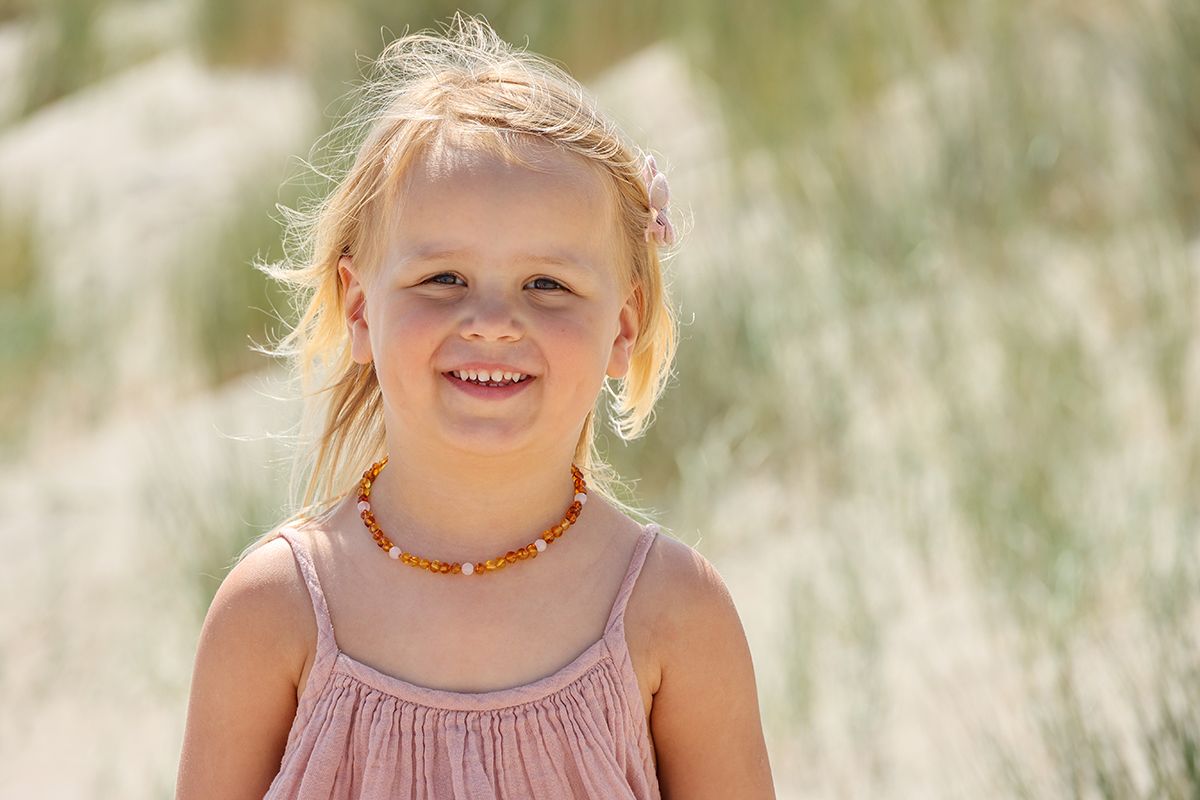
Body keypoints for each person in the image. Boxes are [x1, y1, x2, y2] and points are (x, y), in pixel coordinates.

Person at [176, 12, 775, 799]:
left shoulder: (671, 610)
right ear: (360, 310)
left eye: (548, 285)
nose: (493, 321)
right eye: (443, 279)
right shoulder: (277, 610)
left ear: (621, 329)